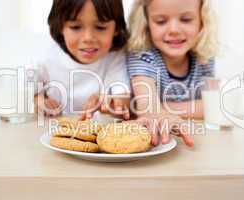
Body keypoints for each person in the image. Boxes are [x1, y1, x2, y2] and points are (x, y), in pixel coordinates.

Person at [127, 0, 218, 146]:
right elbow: (147, 106)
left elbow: (214, 105)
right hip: (158, 143)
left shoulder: (203, 57)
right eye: (161, 21)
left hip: (195, 141)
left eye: (186, 19)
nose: (174, 30)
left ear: (202, 20)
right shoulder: (143, 56)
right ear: (146, 24)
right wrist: (154, 109)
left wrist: (163, 108)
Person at [35, 0, 130, 120]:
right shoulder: (48, 57)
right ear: (60, 27)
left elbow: (123, 96)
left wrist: (111, 102)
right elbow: (23, 90)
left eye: (100, 27)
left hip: (99, 133)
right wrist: (38, 99)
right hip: (54, 131)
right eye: (75, 27)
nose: (88, 38)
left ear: (117, 28)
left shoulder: (115, 57)